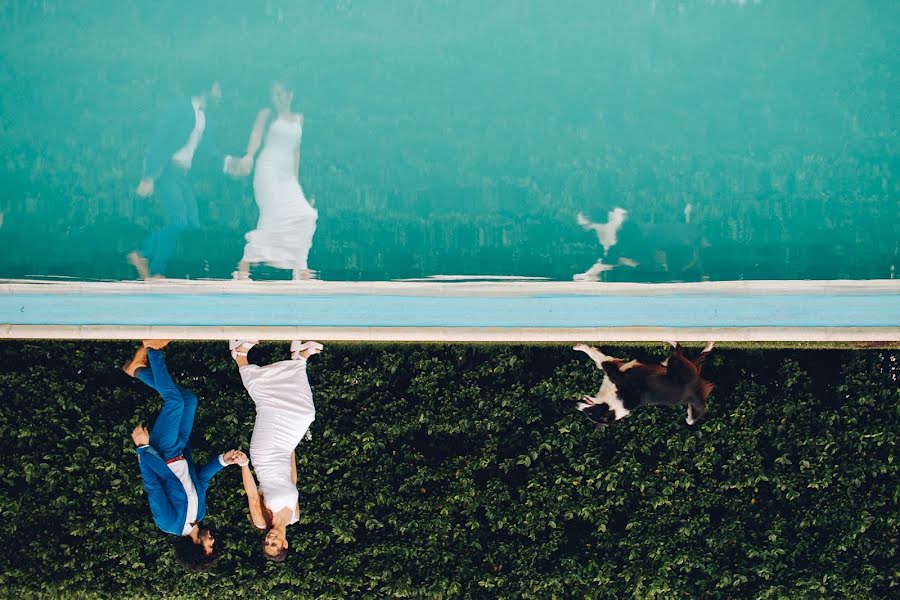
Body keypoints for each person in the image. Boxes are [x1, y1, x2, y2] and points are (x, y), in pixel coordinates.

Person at [124, 339, 247, 572]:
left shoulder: (168, 523)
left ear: (197, 549)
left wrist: (142, 448)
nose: (212, 540)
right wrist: (223, 460)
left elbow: (152, 485)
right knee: (189, 400)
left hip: (161, 452)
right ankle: (137, 371)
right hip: (180, 449)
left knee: (175, 402)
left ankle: (153, 349)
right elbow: (202, 479)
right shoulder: (200, 513)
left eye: (210, 546)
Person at [128, 82, 251, 279]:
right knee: (178, 220)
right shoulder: (181, 108)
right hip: (166, 171)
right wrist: (148, 176)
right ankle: (152, 265)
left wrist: (230, 163)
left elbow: (208, 151)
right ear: (207, 87)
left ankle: (145, 255)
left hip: (181, 175)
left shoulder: (204, 118)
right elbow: (160, 139)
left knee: (191, 222)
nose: (220, 95)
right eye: (218, 89)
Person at [229, 338, 323, 561]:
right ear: (285, 543)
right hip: (283, 450)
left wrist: (244, 465)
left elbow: (253, 495)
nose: (270, 538)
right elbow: (292, 479)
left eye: (267, 542)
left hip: (264, 456)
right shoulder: (295, 516)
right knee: (305, 414)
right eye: (275, 543)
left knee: (267, 404)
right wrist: (291, 449)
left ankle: (240, 356)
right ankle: (299, 360)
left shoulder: (261, 519)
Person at [233, 82, 318, 281]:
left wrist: (295, 181)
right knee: (272, 217)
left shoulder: (299, 119)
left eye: (280, 94)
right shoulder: (267, 114)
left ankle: (300, 266)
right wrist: (249, 156)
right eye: (273, 94)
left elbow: (296, 150)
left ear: (290, 94)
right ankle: (245, 265)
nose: (276, 98)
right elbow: (256, 135)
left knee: (304, 215)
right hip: (268, 169)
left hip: (287, 175)